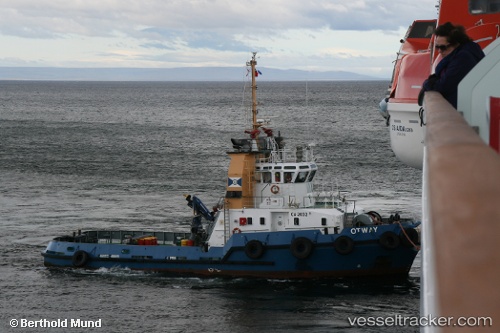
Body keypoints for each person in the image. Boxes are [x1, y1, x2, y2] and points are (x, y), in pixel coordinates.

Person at [421, 22, 485, 108]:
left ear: (456, 44)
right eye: (437, 47)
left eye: (443, 47)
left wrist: (426, 83)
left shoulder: (463, 59)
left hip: (464, 110)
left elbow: (442, 87)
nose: (439, 51)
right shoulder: (462, 54)